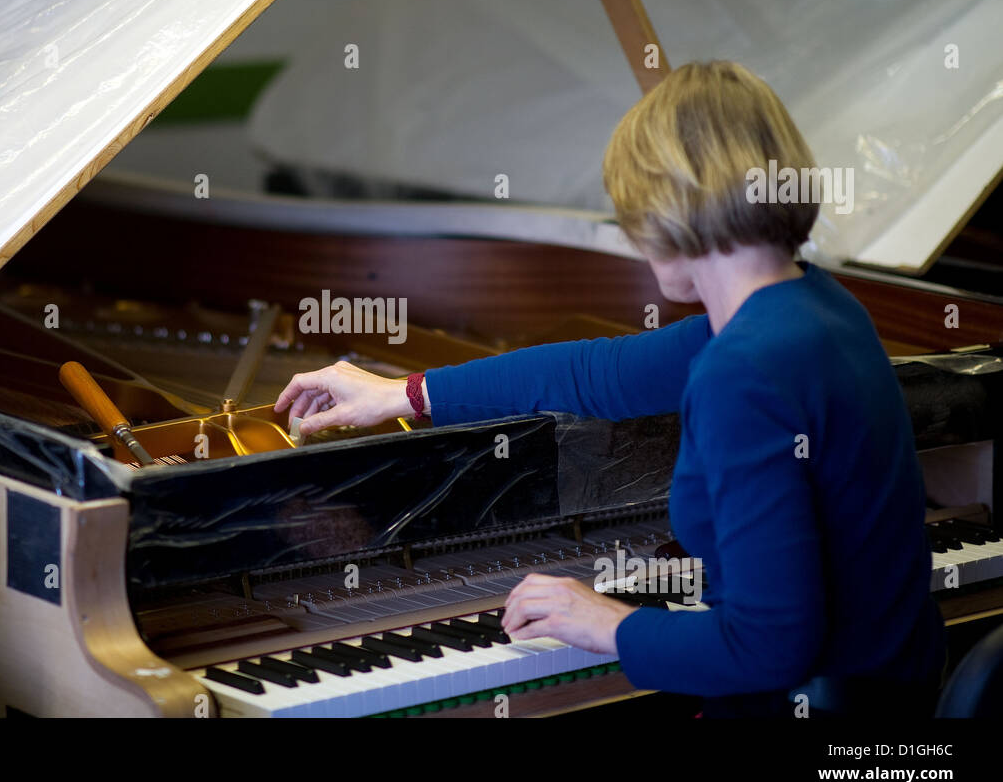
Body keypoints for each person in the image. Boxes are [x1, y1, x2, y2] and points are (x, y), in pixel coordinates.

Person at [274, 61, 945, 717]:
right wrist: (403, 393)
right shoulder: (816, 306)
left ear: (664, 207)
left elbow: (769, 648)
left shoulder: (742, 370)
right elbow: (591, 374)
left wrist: (602, 620)